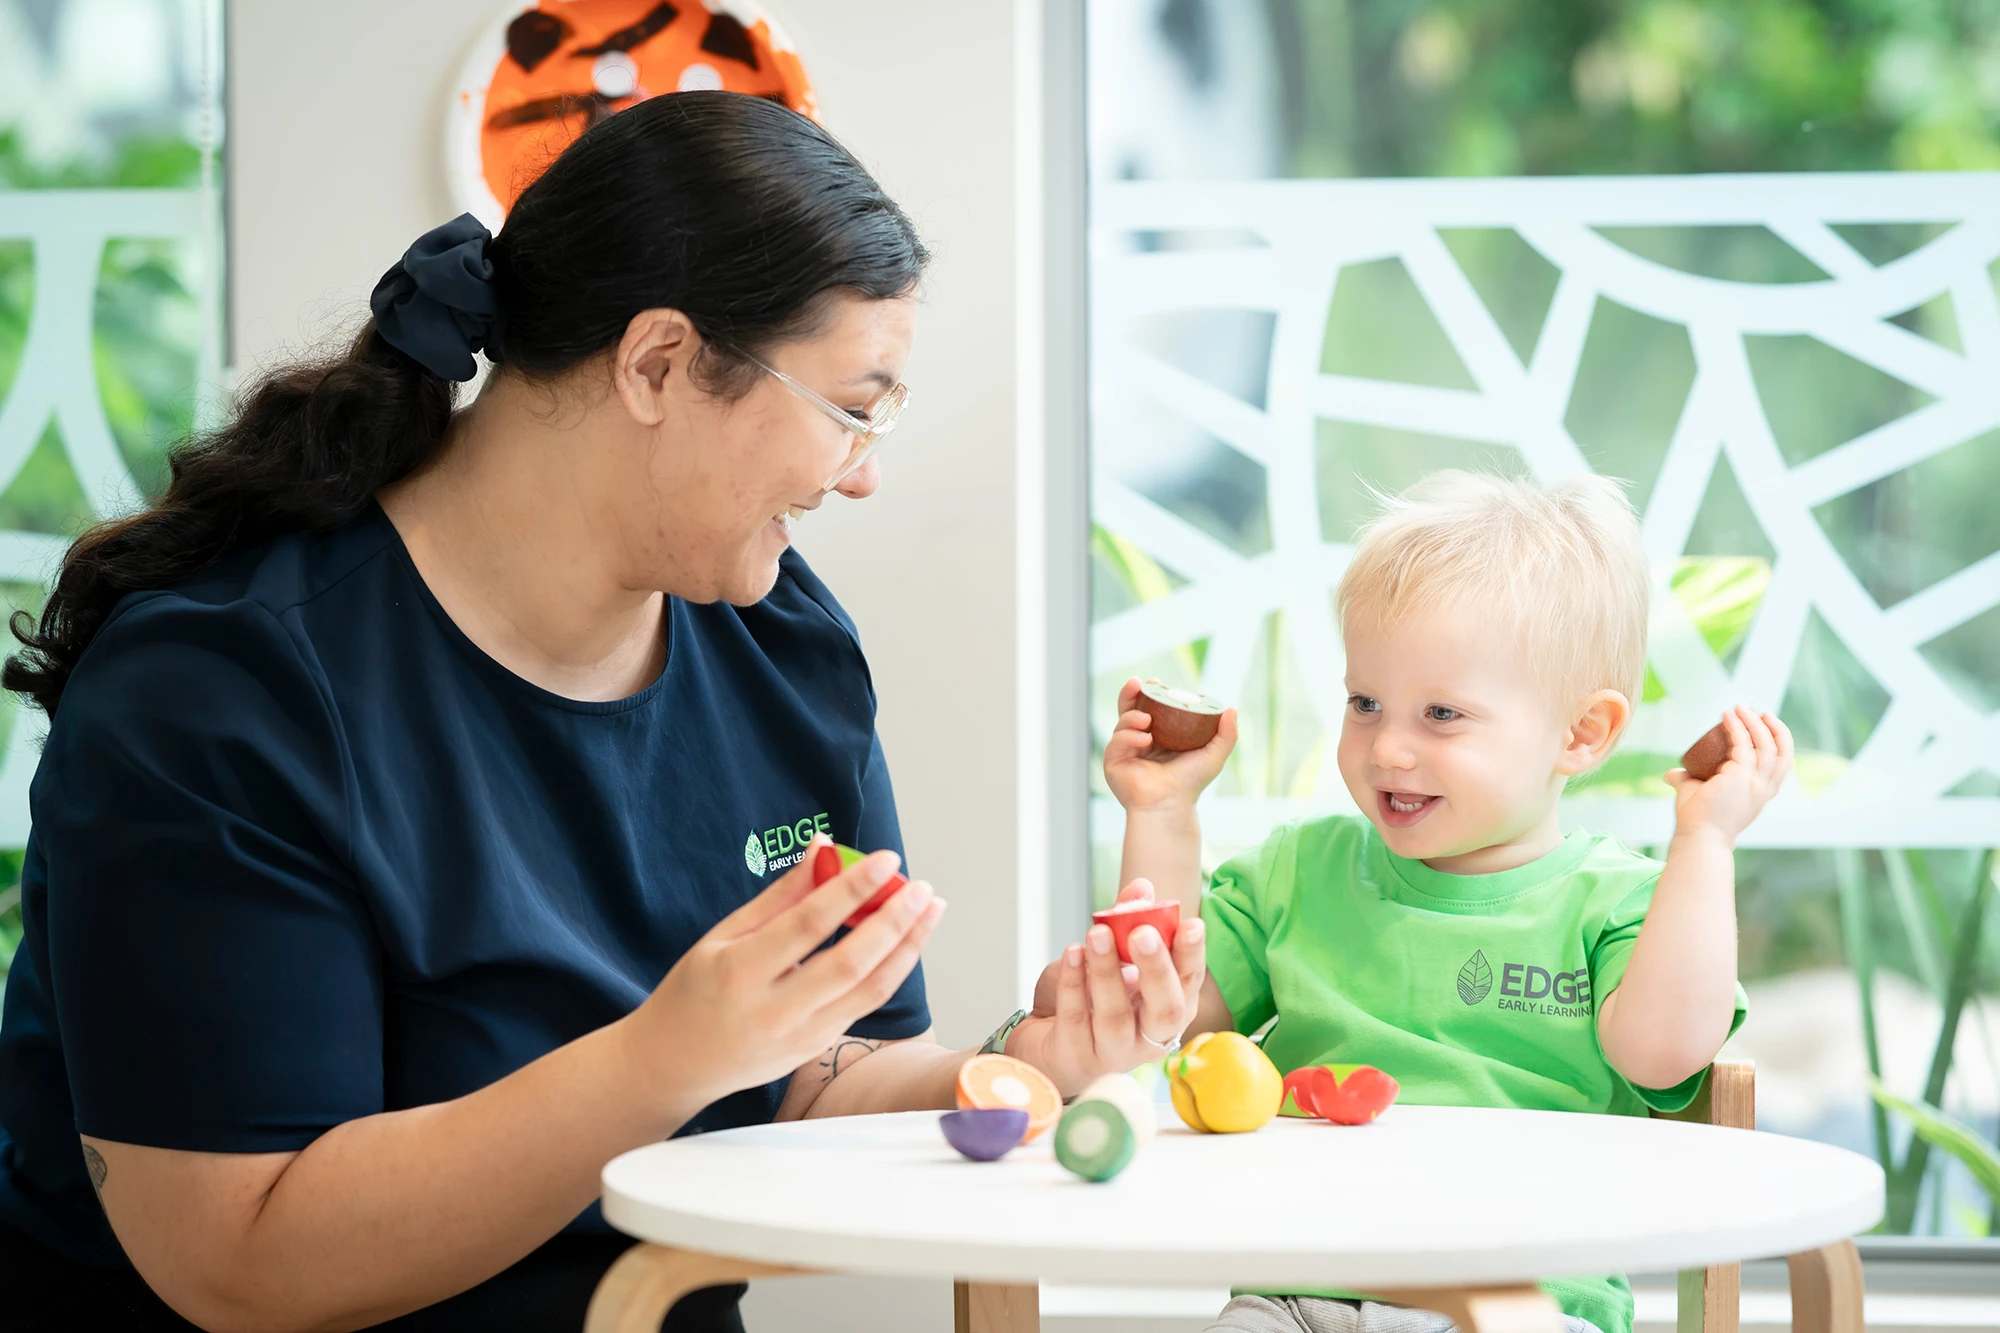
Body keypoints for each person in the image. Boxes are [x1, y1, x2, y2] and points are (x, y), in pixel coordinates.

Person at [0, 92, 1206, 1333]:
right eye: (852, 405)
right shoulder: (222, 696)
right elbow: (241, 1261)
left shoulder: (779, 642)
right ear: (658, 364)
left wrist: (1022, 1065)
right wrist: (659, 1059)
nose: (863, 471)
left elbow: (803, 1073)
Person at [1101, 471, 1793, 1333]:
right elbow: (1167, 1012)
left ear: (1580, 734)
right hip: (1301, 1290)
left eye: (1441, 713)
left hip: (1527, 1306)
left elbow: (1661, 1056)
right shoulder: (1296, 873)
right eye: (1365, 703)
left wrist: (1705, 841)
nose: (1388, 746)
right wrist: (1162, 816)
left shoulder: (1620, 905)